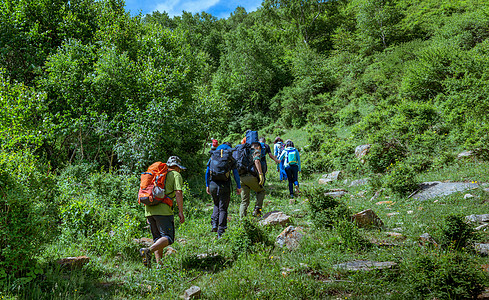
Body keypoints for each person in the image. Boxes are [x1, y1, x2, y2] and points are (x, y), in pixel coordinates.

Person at [139, 156, 186, 267]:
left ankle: (159, 266)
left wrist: (148, 214)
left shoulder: (156, 174)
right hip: (164, 211)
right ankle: (147, 251)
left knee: (157, 240)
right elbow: (178, 192)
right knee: (168, 238)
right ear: (177, 167)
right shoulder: (175, 175)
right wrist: (181, 211)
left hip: (149, 210)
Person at [205, 142, 241, 238]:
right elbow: (235, 174)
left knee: (216, 204)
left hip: (213, 184)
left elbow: (208, 171)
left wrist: (207, 184)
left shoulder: (213, 156)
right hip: (224, 185)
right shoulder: (229, 158)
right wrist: (238, 186)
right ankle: (221, 231)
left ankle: (214, 224)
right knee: (223, 208)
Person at [239, 142, 266, 218]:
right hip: (250, 177)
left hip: (241, 178)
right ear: (258, 147)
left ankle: (242, 220)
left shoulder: (243, 152)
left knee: (244, 201)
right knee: (261, 191)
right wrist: (260, 174)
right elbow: (257, 161)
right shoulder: (255, 151)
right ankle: (257, 211)